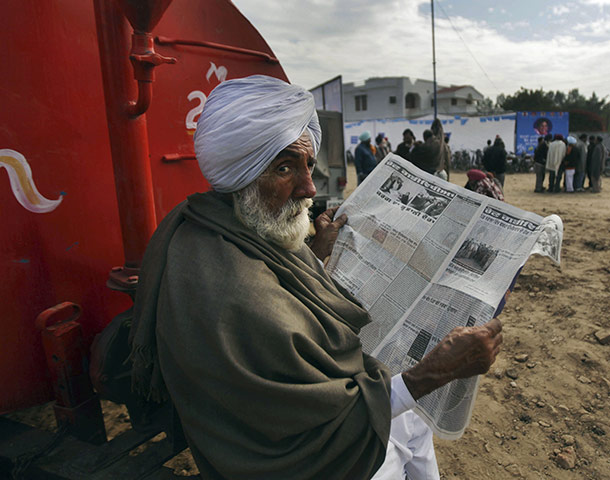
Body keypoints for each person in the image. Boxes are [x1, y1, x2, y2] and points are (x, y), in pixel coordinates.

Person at [129, 75, 504, 480]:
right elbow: (325, 427)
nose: (309, 187)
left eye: (308, 165)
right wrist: (434, 372)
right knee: (401, 438)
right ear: (241, 174)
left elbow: (275, 287)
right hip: (292, 459)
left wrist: (315, 253)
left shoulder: (208, 220)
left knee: (414, 425)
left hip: (286, 425)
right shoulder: (235, 295)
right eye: (285, 167)